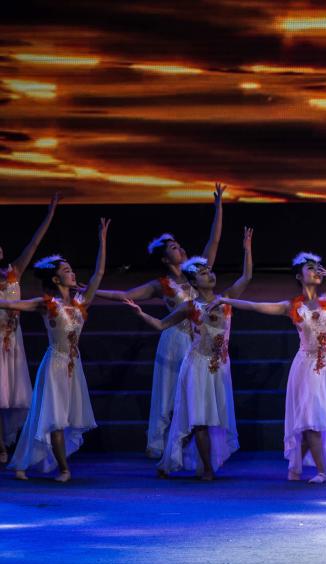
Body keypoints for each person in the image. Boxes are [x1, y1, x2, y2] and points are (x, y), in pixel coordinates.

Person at [212, 223, 326, 482]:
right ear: (299, 276)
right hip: (307, 366)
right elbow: (256, 306)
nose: (316, 271)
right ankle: (321, 471)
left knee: (321, 418)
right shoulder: (292, 306)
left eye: (317, 267)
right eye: (310, 268)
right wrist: (226, 300)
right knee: (310, 419)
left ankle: (295, 467)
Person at [94, 183, 224, 458]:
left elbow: (213, 243)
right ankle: (159, 444)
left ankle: (188, 445)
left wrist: (218, 208)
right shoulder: (160, 284)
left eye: (180, 245)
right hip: (174, 340)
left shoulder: (198, 273)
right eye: (174, 248)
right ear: (165, 259)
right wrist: (90, 290)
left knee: (193, 394)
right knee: (167, 393)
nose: (181, 249)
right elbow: (125, 295)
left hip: (198, 340)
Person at [122, 228, 253, 480]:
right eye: (203, 273)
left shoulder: (225, 299)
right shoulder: (189, 306)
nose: (209, 274)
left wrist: (247, 249)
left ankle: (178, 461)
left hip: (219, 368)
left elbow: (246, 277)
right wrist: (141, 313)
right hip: (197, 367)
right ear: (194, 283)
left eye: (210, 271)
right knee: (199, 419)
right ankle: (207, 469)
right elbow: (161, 325)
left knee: (213, 417)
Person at [3, 218, 110, 481]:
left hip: (74, 366)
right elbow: (12, 305)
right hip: (54, 366)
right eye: (67, 270)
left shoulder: (80, 302)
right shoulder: (46, 303)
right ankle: (64, 469)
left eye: (71, 270)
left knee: (58, 417)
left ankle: (23, 463)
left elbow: (98, 275)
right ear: (55, 278)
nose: (73, 274)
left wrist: (102, 241)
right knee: (55, 419)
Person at [0, 192, 59, 464]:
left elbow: (34, 244)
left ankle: (7, 440)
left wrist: (49, 214)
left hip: (13, 339)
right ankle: (1, 445)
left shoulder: (15, 272)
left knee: (10, 394)